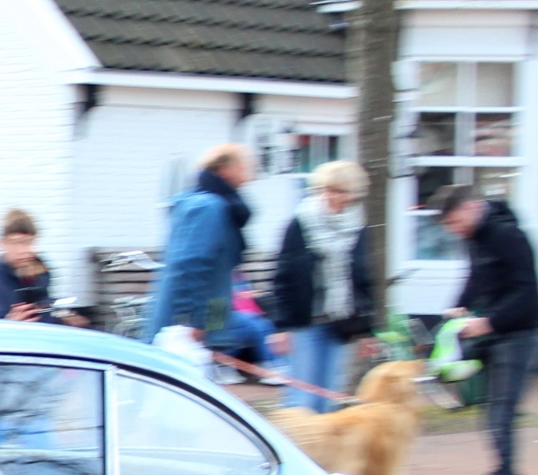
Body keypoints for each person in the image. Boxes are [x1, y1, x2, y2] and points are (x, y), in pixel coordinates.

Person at [434, 184, 538, 475]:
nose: (455, 230)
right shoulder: (475, 239)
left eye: (455, 222)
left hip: (522, 335)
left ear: (471, 207)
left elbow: (528, 294)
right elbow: (476, 277)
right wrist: (460, 305)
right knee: (491, 417)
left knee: (501, 417)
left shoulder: (508, 236)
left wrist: (489, 322)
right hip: (493, 333)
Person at [266, 160, 375, 413]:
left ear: (352, 195)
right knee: (302, 400)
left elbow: (363, 279)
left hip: (340, 323)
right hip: (304, 322)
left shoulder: (358, 227)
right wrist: (281, 327)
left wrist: (367, 330)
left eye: (338, 191)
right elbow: (283, 276)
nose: (330, 197)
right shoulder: (301, 224)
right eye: (325, 189)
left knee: (328, 400)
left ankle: (320, 453)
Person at [142, 144, 253, 343]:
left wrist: (217, 332)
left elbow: (220, 273)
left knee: (225, 348)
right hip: (187, 326)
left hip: (214, 315)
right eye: (243, 168)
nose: (248, 176)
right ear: (224, 170)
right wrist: (197, 322)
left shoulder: (221, 205)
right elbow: (191, 264)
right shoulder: (208, 207)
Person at [0, 210, 62, 322]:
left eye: (29, 242)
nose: (24, 250)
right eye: (16, 243)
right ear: (2, 244)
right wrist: (10, 324)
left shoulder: (39, 278)